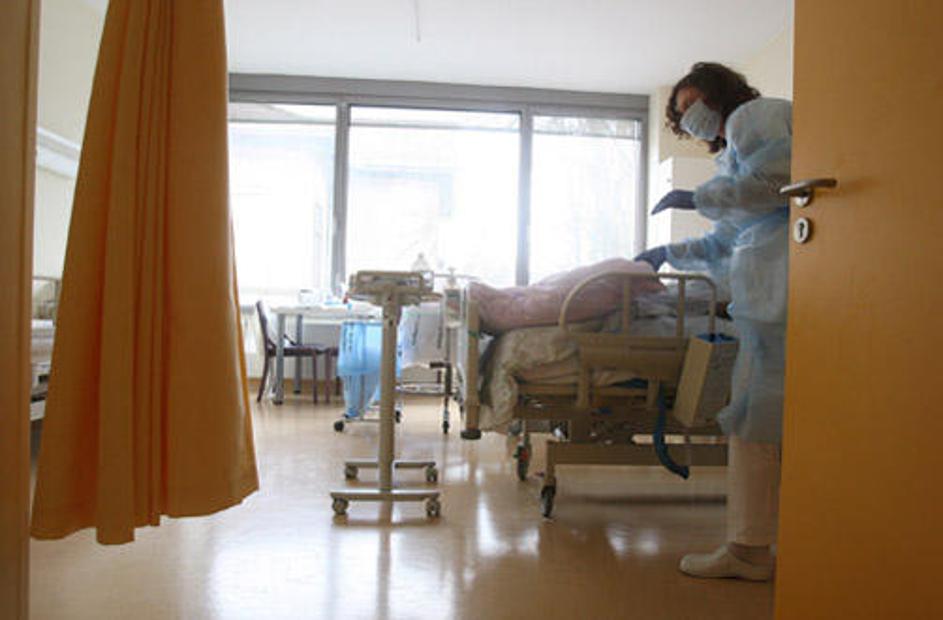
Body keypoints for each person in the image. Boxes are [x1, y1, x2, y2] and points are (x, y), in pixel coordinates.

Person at [636, 62, 792, 581]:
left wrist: (696, 198)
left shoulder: (755, 117)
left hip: (782, 292)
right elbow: (724, 240)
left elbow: (778, 180)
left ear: (719, 92)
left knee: (756, 423)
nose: (689, 117)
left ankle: (749, 551)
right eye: (680, 112)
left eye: (691, 103)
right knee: (759, 425)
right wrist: (667, 252)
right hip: (765, 297)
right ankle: (755, 545)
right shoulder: (733, 155)